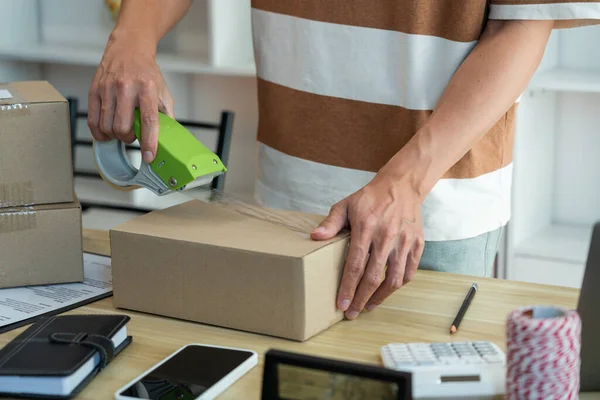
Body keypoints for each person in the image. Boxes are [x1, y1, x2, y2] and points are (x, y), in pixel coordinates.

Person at [89, 0, 599, 320]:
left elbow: (524, 23)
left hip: (429, 205)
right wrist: (130, 39)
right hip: (288, 192)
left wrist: (407, 183)